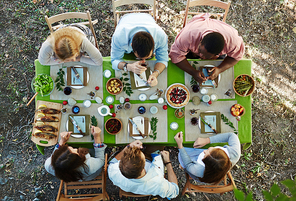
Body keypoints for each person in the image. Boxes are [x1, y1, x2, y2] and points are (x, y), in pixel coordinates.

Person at [169, 13, 245, 84]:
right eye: (200, 51)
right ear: (200, 41)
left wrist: (219, 69)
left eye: (206, 56)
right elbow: (175, 56)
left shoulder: (233, 43)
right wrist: (193, 72)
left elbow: (236, 57)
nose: (201, 57)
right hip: (197, 28)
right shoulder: (187, 37)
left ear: (219, 53)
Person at [111, 13, 168, 87]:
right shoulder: (119, 38)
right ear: (131, 46)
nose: (143, 61)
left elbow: (163, 60)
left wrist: (155, 74)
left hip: (147, 17)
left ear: (154, 45)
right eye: (140, 58)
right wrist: (128, 66)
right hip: (126, 18)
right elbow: (114, 60)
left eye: (147, 58)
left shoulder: (161, 37)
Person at [108, 140, 179, 199]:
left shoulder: (113, 172)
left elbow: (113, 161)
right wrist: (168, 162)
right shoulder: (158, 183)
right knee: (159, 141)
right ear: (143, 168)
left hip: (131, 186)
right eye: (142, 155)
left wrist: (129, 146)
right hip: (153, 159)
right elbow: (175, 191)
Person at [174, 132, 241, 184]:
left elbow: (188, 164)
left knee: (184, 160)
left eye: (205, 154)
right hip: (218, 171)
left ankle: (185, 169)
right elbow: (232, 135)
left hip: (197, 171)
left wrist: (180, 145)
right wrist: (207, 140)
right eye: (209, 150)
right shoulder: (235, 153)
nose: (204, 150)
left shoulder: (198, 170)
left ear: (206, 164)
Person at [38, 24, 103, 66]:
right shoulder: (48, 46)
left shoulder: (84, 42)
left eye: (75, 56)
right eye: (71, 59)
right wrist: (60, 61)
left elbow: (99, 61)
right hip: (63, 30)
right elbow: (43, 62)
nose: (74, 60)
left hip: (84, 33)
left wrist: (79, 59)